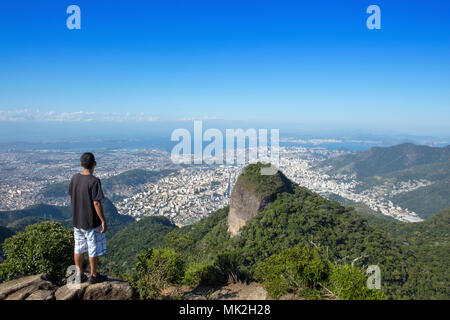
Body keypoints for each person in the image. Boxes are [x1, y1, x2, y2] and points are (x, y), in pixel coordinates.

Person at [68, 152, 108, 284]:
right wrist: (103, 220)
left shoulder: (74, 178)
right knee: (93, 247)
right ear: (95, 164)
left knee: (78, 248)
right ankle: (93, 275)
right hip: (91, 222)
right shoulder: (94, 181)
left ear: (81, 165)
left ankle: (78, 275)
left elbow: (72, 195)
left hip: (77, 221)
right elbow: (96, 202)